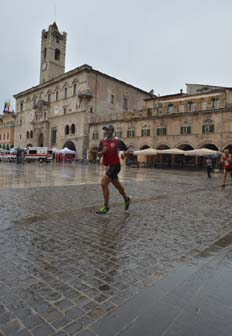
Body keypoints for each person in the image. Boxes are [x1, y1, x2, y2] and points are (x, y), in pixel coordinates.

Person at [96, 124, 131, 214]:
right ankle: (126, 198)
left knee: (103, 183)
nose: (106, 132)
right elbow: (98, 154)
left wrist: (124, 154)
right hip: (108, 166)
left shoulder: (117, 141)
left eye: (108, 130)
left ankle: (106, 206)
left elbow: (127, 150)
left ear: (112, 131)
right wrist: (103, 151)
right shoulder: (102, 142)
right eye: (105, 130)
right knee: (117, 185)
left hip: (115, 165)